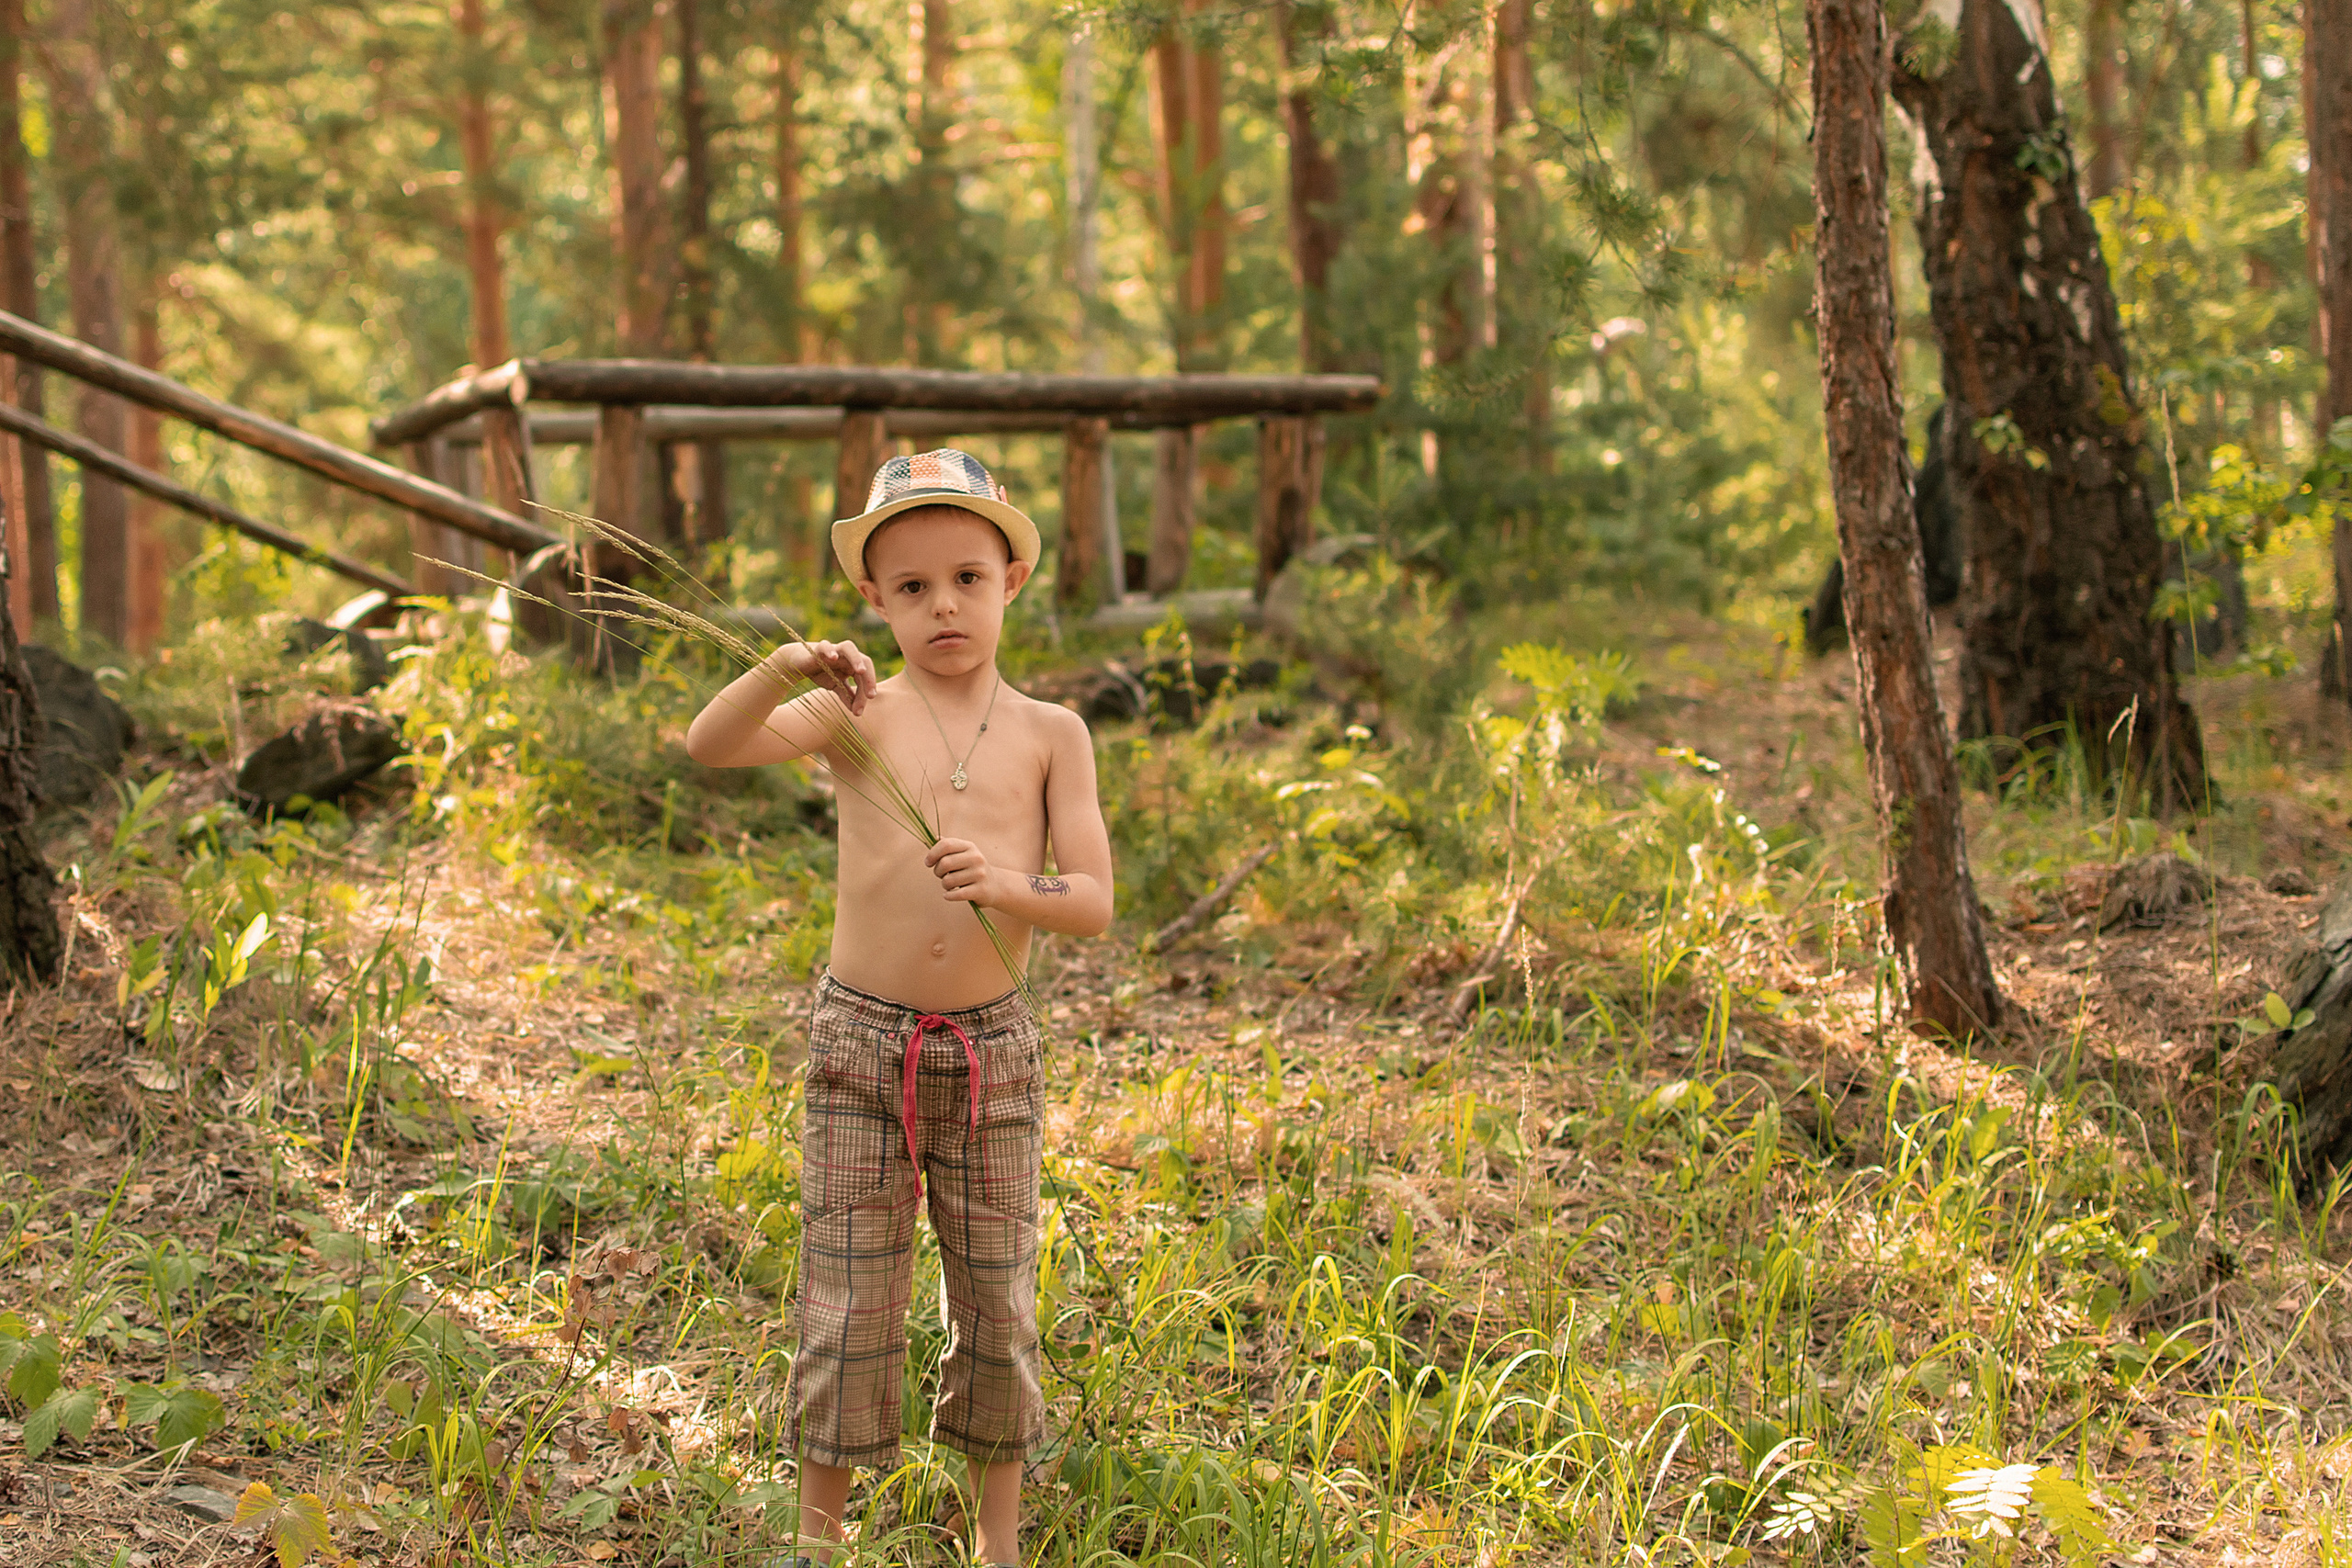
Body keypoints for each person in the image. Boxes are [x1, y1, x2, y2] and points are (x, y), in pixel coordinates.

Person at [684, 448, 1114, 1567]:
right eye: (912, 587)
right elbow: (710, 747)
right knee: (848, 1297)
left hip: (992, 1054)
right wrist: (780, 665)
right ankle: (819, 1538)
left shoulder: (1050, 733)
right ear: (873, 601)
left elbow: (1094, 897)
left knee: (997, 1297)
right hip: (859, 1046)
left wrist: (1010, 888)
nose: (944, 606)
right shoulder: (852, 712)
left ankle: (997, 1542)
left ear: (1011, 580)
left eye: (967, 578)